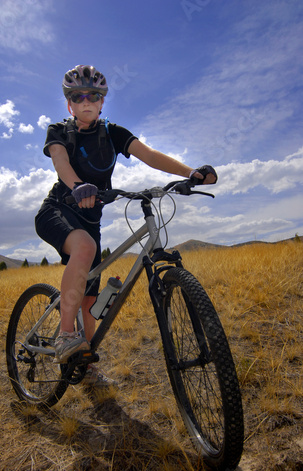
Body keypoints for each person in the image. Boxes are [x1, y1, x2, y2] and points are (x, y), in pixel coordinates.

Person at [35, 65, 217, 385]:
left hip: (91, 220)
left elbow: (149, 155)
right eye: (78, 96)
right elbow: (61, 163)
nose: (86, 100)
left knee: (91, 299)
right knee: (87, 248)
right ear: (69, 105)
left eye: (94, 95)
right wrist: (77, 185)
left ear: (103, 102)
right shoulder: (59, 131)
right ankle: (65, 334)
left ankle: (86, 364)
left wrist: (190, 174)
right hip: (58, 210)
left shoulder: (112, 132)